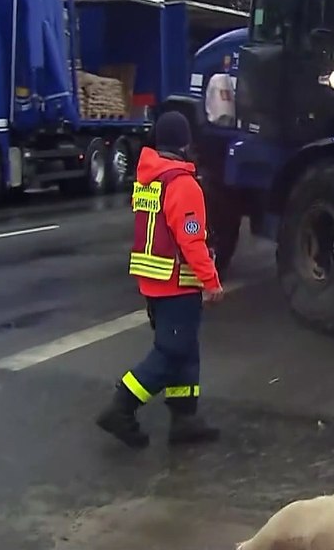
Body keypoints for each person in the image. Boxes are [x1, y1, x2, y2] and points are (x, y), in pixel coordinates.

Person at [96, 112, 226, 449]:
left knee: (186, 351)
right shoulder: (183, 184)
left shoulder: (149, 179)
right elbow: (191, 239)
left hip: (154, 279)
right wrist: (210, 280)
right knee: (171, 352)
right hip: (176, 282)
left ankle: (185, 418)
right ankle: (122, 406)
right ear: (186, 143)